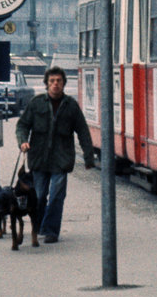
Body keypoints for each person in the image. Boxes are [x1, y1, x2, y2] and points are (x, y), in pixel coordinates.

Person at [15, 67, 96, 243]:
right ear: (46, 84)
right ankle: (39, 227)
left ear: (64, 83)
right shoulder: (36, 104)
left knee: (57, 195)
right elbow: (22, 125)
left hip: (61, 159)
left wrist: (89, 157)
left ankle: (51, 231)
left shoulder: (71, 105)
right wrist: (22, 141)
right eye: (52, 81)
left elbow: (83, 131)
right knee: (39, 195)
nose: (55, 84)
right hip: (39, 158)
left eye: (59, 81)